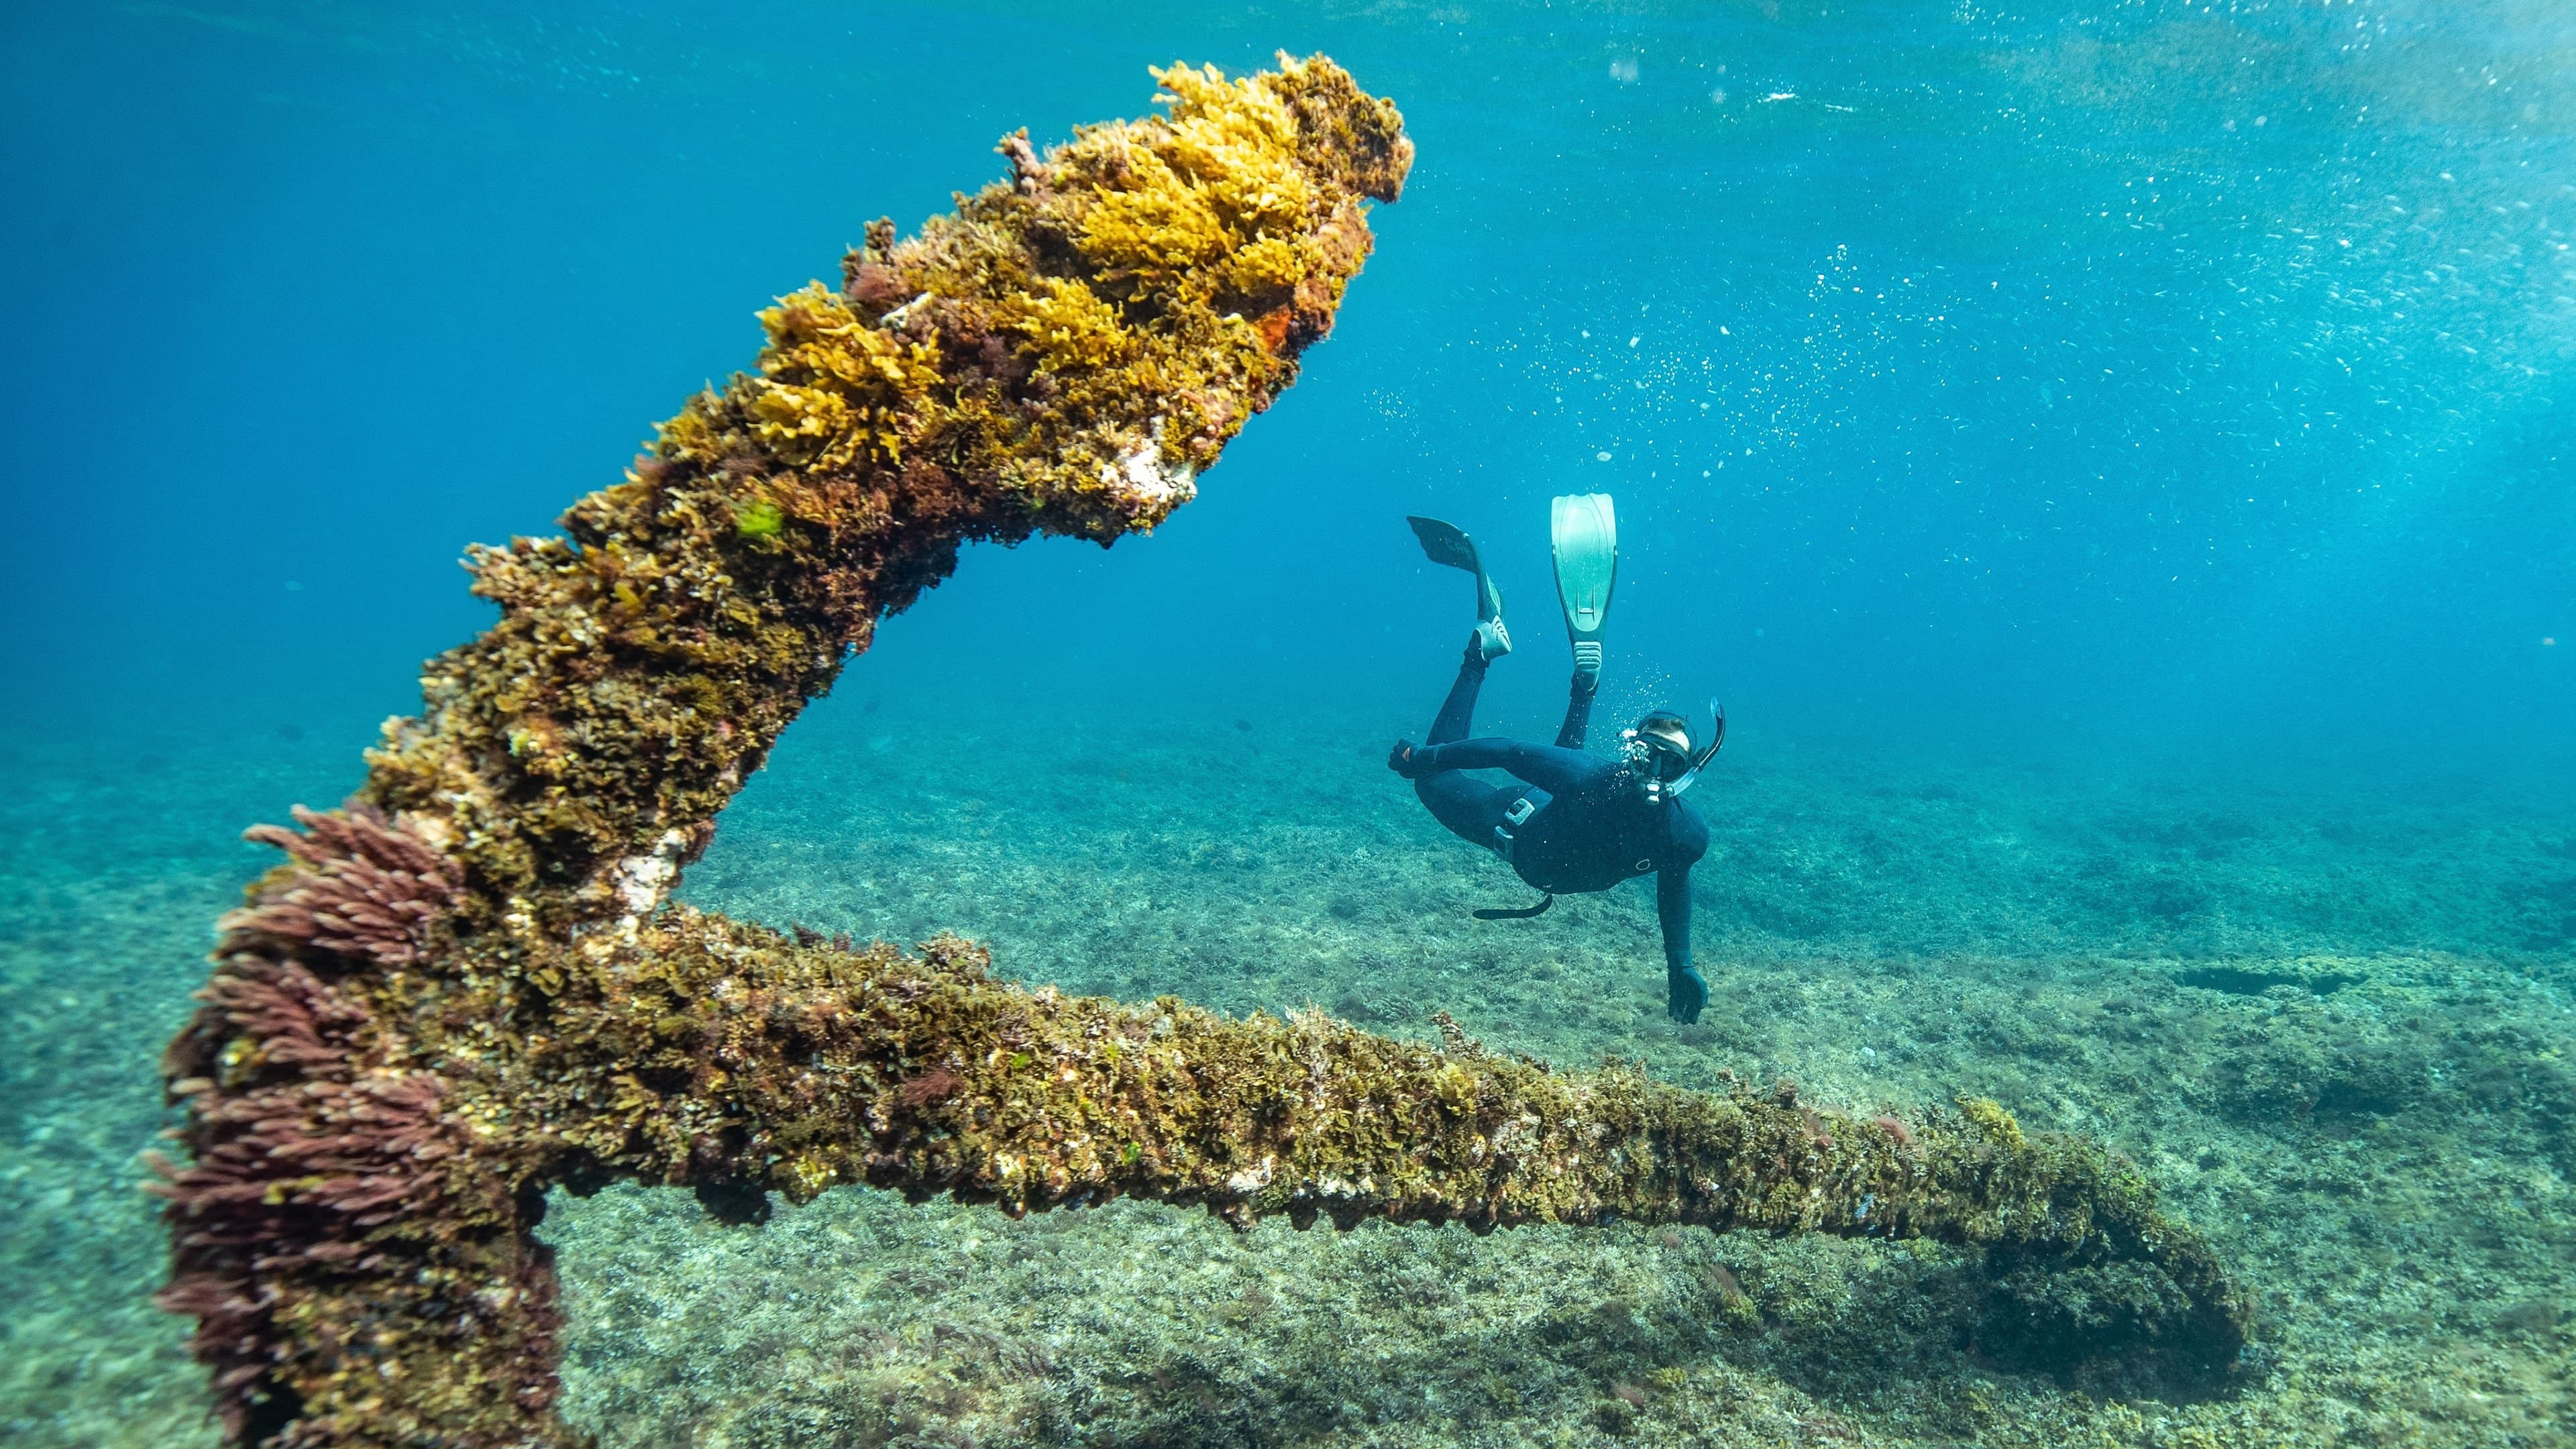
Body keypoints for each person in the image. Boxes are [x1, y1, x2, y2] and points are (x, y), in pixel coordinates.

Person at [1385, 496, 1720, 1024]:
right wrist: (1422, 760)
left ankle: (1581, 689)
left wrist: (1680, 964)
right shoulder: (1601, 782)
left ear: (1689, 772)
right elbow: (1504, 752)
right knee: (1433, 784)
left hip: (1553, 815)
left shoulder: (1679, 836)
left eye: (1667, 767)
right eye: (1650, 759)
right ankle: (1480, 656)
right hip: (1514, 819)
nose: (1654, 776)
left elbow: (1673, 884)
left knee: (1562, 774)